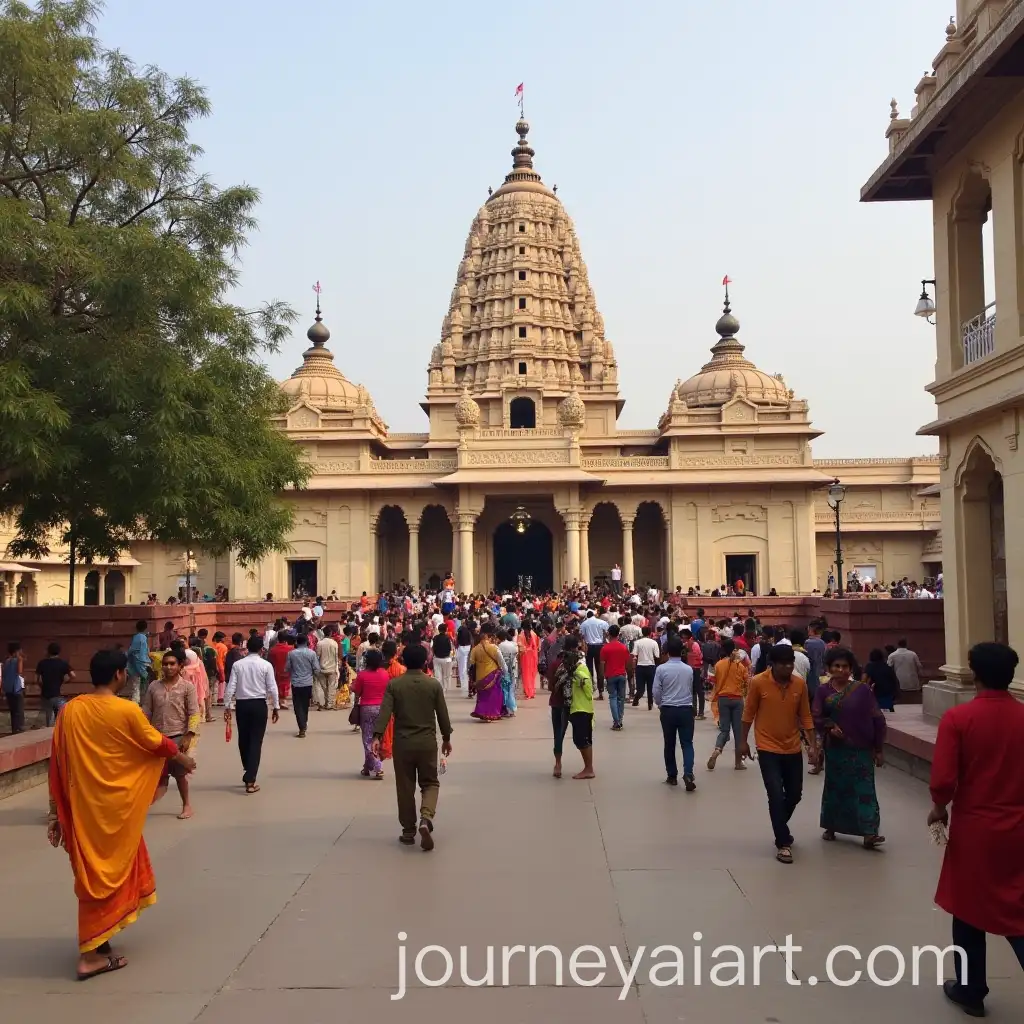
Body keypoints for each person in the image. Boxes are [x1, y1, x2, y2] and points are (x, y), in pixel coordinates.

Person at [46, 648, 195, 980]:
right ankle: (89, 956)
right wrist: (182, 758)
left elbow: (57, 762)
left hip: (84, 811)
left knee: (99, 873)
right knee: (99, 880)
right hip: (115, 811)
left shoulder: (70, 711)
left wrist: (56, 812)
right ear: (118, 675)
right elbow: (154, 743)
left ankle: (101, 943)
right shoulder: (125, 710)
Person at [928, 642, 1024, 1017]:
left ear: (974, 672)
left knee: (968, 909)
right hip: (1019, 826)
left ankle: (971, 989)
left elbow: (943, 779)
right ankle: (969, 987)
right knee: (1016, 906)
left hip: (977, 828)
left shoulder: (959, 719)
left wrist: (938, 808)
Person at [741, 645, 818, 864]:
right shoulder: (758, 682)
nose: (788, 667)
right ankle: (783, 842)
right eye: (783, 663)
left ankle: (780, 825)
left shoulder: (800, 684)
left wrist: (812, 746)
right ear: (771, 664)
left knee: (794, 794)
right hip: (767, 747)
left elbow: (805, 715)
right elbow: (748, 714)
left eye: (790, 662)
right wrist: (742, 742)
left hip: (793, 746)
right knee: (775, 794)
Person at [371, 643, 452, 850]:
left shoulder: (394, 685)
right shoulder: (433, 685)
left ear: (404, 661)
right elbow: (442, 714)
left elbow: (385, 712)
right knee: (430, 783)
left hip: (403, 743)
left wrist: (377, 736)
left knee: (405, 787)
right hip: (427, 742)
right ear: (426, 661)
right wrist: (446, 738)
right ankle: (425, 818)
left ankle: (408, 831)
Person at [812, 647, 886, 849]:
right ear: (829, 668)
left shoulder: (862, 691)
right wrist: (829, 726)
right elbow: (816, 716)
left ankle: (869, 832)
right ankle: (831, 825)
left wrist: (878, 748)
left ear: (851, 668)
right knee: (836, 788)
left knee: (865, 790)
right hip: (836, 749)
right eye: (836, 666)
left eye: (845, 666)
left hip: (861, 749)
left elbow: (877, 718)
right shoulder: (822, 691)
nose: (841, 670)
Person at [141, 649, 200, 820]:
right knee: (155, 774)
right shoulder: (154, 686)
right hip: (156, 736)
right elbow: (147, 711)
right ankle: (143, 805)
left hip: (178, 736)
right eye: (165, 664)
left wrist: (189, 736)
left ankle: (186, 805)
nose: (168, 667)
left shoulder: (187, 687)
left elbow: (194, 712)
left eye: (172, 664)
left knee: (180, 774)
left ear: (180, 665)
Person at [224, 636, 280, 794]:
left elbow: (231, 685)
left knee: (244, 738)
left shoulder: (238, 664)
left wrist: (227, 705)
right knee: (256, 740)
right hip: (258, 705)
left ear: (247, 648)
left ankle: (248, 769)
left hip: (242, 705)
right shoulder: (266, 665)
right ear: (262, 649)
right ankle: (250, 778)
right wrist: (275, 707)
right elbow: (272, 687)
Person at [653, 635, 696, 790]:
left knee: (669, 744)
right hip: (685, 709)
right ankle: (689, 773)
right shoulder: (688, 669)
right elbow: (690, 689)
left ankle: (672, 776)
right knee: (687, 743)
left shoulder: (661, 669)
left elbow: (656, 691)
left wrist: (659, 704)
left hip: (668, 709)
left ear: (667, 651)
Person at [707, 638, 749, 771]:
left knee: (724, 729)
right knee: (738, 731)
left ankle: (717, 750)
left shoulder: (718, 664)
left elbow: (712, 680)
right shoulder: (740, 666)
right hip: (737, 700)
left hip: (723, 699)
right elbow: (746, 683)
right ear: (734, 649)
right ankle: (738, 763)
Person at [557, 633, 595, 779]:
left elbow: (588, 688)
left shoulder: (580, 670)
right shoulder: (572, 669)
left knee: (581, 739)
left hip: (582, 708)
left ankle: (589, 769)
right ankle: (588, 767)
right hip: (577, 707)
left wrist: (577, 678)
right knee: (582, 739)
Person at [353, 648, 388, 779]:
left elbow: (358, 691)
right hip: (382, 709)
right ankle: (367, 766)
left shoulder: (362, 675)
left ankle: (378, 767)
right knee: (378, 737)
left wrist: (353, 690)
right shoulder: (385, 674)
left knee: (368, 739)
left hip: (367, 708)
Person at [548, 632, 574, 778]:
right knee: (584, 733)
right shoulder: (577, 663)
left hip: (557, 702)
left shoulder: (556, 663)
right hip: (574, 703)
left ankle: (558, 763)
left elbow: (550, 687)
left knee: (558, 734)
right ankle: (588, 764)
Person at [285, 634, 320, 738]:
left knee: (297, 706)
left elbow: (286, 668)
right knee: (305, 705)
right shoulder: (312, 653)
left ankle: (302, 726)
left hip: (296, 683)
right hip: (308, 683)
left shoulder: (291, 654)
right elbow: (317, 669)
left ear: (296, 642)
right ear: (307, 642)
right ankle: (303, 724)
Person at [469, 624, 504, 722]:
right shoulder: (493, 647)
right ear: (488, 637)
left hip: (480, 676)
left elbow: (471, 663)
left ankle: (482, 713)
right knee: (494, 695)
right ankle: (492, 713)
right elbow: (501, 661)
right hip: (492, 674)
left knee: (482, 695)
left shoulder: (475, 649)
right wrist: (504, 670)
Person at [36, 642, 74, 727]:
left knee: (49, 719)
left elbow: (38, 680)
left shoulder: (42, 663)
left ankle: (50, 734)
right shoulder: (63, 663)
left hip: (46, 694)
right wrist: (65, 681)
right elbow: (73, 676)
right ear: (59, 651)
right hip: (58, 694)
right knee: (61, 719)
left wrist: (42, 687)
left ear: (48, 651)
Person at [600, 624, 630, 731]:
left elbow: (602, 664)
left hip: (610, 675)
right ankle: (620, 720)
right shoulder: (623, 647)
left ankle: (616, 722)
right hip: (622, 675)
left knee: (612, 697)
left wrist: (603, 676)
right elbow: (627, 663)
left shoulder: (605, 648)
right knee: (621, 699)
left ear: (609, 634)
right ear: (618, 634)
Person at [580, 610, 609, 699]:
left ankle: (590, 689)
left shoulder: (584, 624)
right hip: (600, 646)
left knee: (589, 669)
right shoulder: (601, 622)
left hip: (589, 647)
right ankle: (601, 692)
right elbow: (607, 632)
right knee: (600, 669)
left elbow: (582, 636)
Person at [632, 626, 660, 710]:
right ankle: (650, 703)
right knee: (650, 687)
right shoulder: (654, 643)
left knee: (640, 688)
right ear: (650, 633)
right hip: (651, 666)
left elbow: (634, 655)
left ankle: (636, 699)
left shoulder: (637, 642)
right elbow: (657, 655)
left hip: (640, 666)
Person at [863, 648, 900, 712]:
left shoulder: (869, 667)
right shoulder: (887, 667)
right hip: (888, 696)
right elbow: (895, 681)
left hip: (876, 696)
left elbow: (863, 680)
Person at [315, 625, 341, 710]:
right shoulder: (334, 643)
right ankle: (329, 704)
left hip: (322, 668)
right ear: (330, 633)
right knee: (331, 687)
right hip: (332, 668)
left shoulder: (320, 643)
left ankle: (326, 703)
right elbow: (336, 656)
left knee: (324, 687)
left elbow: (317, 656)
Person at [2, 640, 26, 733]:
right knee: (19, 710)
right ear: (18, 650)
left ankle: (14, 729)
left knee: (13, 710)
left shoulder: (6, 661)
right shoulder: (19, 659)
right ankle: (20, 728)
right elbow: (19, 672)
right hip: (16, 688)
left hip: (8, 688)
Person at [125, 621, 151, 704]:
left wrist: (125, 655)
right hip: (144, 664)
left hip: (137, 665)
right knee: (142, 685)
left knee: (136, 685)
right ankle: (142, 701)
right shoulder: (143, 637)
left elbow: (132, 650)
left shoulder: (138, 637)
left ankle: (136, 702)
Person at [518, 621, 540, 699]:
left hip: (530, 657)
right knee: (528, 675)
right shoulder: (524, 635)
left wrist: (527, 649)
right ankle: (529, 692)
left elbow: (536, 646)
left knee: (530, 675)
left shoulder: (530, 635)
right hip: (528, 657)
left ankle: (530, 692)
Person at [431, 622, 453, 691]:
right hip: (446, 658)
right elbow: (450, 648)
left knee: (438, 675)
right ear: (446, 629)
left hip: (437, 658)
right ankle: (445, 688)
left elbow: (432, 647)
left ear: (438, 629)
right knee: (446, 675)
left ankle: (439, 688)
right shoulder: (447, 638)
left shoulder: (435, 638)